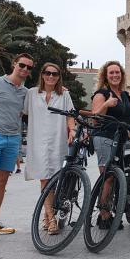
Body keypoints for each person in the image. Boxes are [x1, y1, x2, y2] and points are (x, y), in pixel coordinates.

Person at [0, 53, 34, 245]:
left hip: (12, 139)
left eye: (29, 68)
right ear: (14, 64)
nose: (25, 69)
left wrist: (59, 90)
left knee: (1, 183)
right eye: (22, 65)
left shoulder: (25, 92)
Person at [23, 62, 75, 235]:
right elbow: (18, 108)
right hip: (37, 141)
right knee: (45, 179)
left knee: (53, 179)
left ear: (59, 77)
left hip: (57, 141)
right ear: (42, 74)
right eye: (48, 73)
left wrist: (72, 130)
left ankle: (46, 216)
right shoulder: (31, 93)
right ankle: (51, 219)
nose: (51, 76)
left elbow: (70, 115)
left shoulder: (64, 94)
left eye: (55, 74)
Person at [91, 61, 130, 230]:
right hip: (104, 137)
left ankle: (110, 210)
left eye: (118, 72)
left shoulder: (124, 95)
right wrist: (106, 105)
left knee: (116, 177)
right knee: (108, 176)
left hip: (122, 139)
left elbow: (127, 118)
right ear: (105, 76)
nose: (115, 75)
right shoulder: (102, 93)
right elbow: (95, 117)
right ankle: (104, 216)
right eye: (111, 73)